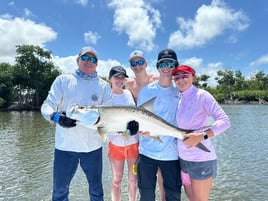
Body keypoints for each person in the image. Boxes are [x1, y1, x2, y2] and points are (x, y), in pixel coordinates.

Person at [41, 46, 112, 201]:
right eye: (85, 58)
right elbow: (47, 105)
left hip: (92, 148)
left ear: (97, 64)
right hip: (65, 148)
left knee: (96, 191)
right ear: (77, 60)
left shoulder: (104, 86)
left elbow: (108, 117)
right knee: (59, 192)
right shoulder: (63, 80)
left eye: (93, 59)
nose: (89, 62)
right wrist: (56, 118)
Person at [173, 65, 231, 201]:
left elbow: (225, 121)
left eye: (185, 75)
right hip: (183, 159)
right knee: (191, 198)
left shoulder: (203, 96)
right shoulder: (178, 98)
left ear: (193, 77)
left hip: (201, 160)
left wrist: (202, 136)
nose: (181, 79)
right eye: (177, 77)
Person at [136, 48, 182, 201]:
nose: (166, 67)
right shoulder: (146, 91)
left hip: (171, 154)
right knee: (146, 195)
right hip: (146, 152)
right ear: (157, 66)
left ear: (175, 66)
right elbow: (139, 118)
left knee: (173, 195)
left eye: (170, 63)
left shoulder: (180, 92)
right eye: (163, 64)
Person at [107, 66, 139, 201]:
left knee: (133, 180)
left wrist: (134, 126)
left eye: (122, 77)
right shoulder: (106, 96)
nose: (120, 80)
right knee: (116, 179)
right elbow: (104, 123)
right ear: (110, 79)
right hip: (116, 145)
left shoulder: (128, 94)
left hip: (133, 144)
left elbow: (134, 115)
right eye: (116, 77)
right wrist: (117, 130)